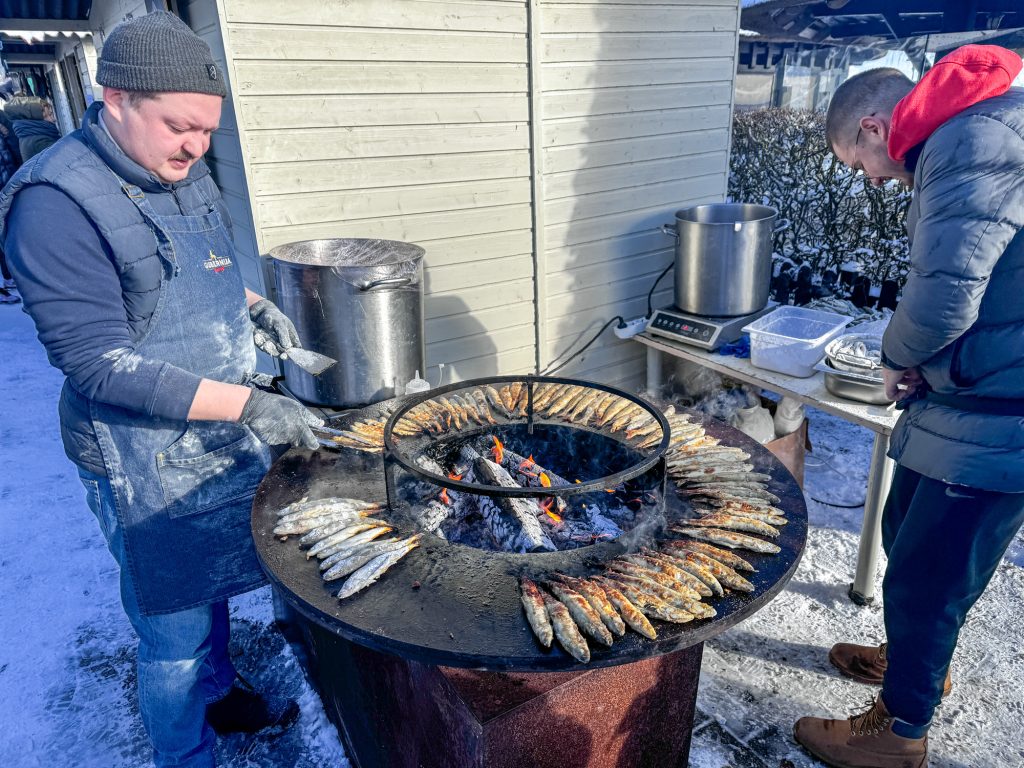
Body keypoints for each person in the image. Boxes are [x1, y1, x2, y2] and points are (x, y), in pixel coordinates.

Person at [0, 12, 326, 768]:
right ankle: (185, 753)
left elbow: (189, 264)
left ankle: (220, 695)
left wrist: (251, 305)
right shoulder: (55, 204)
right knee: (172, 624)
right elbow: (98, 365)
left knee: (208, 583)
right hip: (136, 456)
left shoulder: (179, 166)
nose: (196, 145)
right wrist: (252, 402)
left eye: (207, 131)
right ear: (115, 99)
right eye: (181, 126)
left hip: (204, 436)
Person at [792, 44, 1024, 768]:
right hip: (973, 386)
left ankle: (899, 733)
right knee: (905, 531)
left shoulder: (971, 138)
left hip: (1003, 407)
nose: (869, 178)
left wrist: (897, 359)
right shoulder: (968, 130)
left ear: (870, 125)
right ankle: (913, 659)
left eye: (856, 162)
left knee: (930, 571)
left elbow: (947, 294)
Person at [3, 95, 60, 161]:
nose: (53, 119)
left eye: (50, 114)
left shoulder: (29, 137)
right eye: (46, 116)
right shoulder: (38, 141)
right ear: (35, 120)